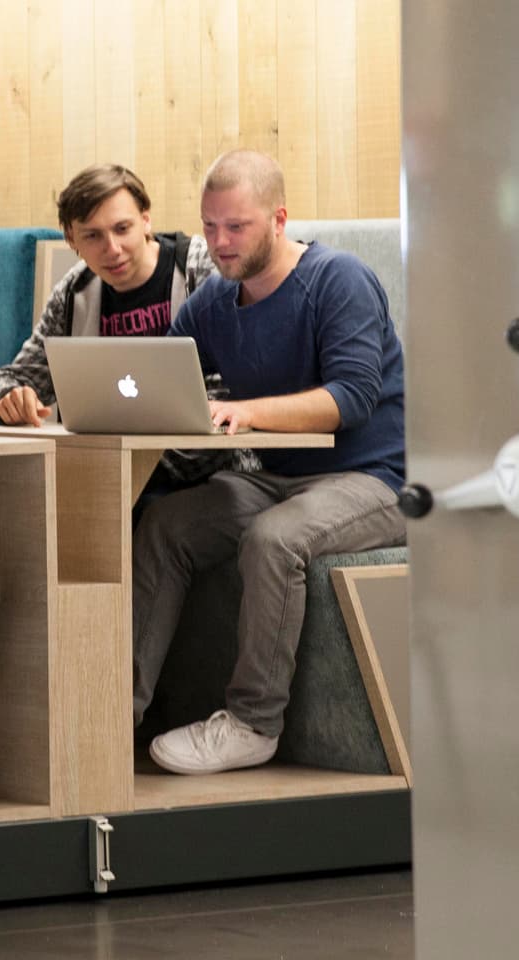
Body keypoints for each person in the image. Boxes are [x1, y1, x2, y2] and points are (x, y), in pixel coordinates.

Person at [133, 149, 406, 775]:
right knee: (167, 526)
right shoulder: (213, 302)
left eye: (238, 226)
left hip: (376, 480)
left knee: (273, 540)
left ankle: (255, 724)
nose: (221, 243)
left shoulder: (339, 280)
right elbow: (158, 376)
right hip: (276, 479)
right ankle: (113, 711)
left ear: (279, 219)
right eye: (209, 227)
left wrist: (247, 412)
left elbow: (353, 397)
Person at [0, 164, 252, 491]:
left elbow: (241, 388)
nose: (112, 249)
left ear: (146, 220)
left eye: (122, 228)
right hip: (106, 471)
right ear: (71, 238)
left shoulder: (202, 270)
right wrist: (8, 400)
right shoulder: (74, 292)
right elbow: (12, 379)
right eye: (93, 236)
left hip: (210, 473)